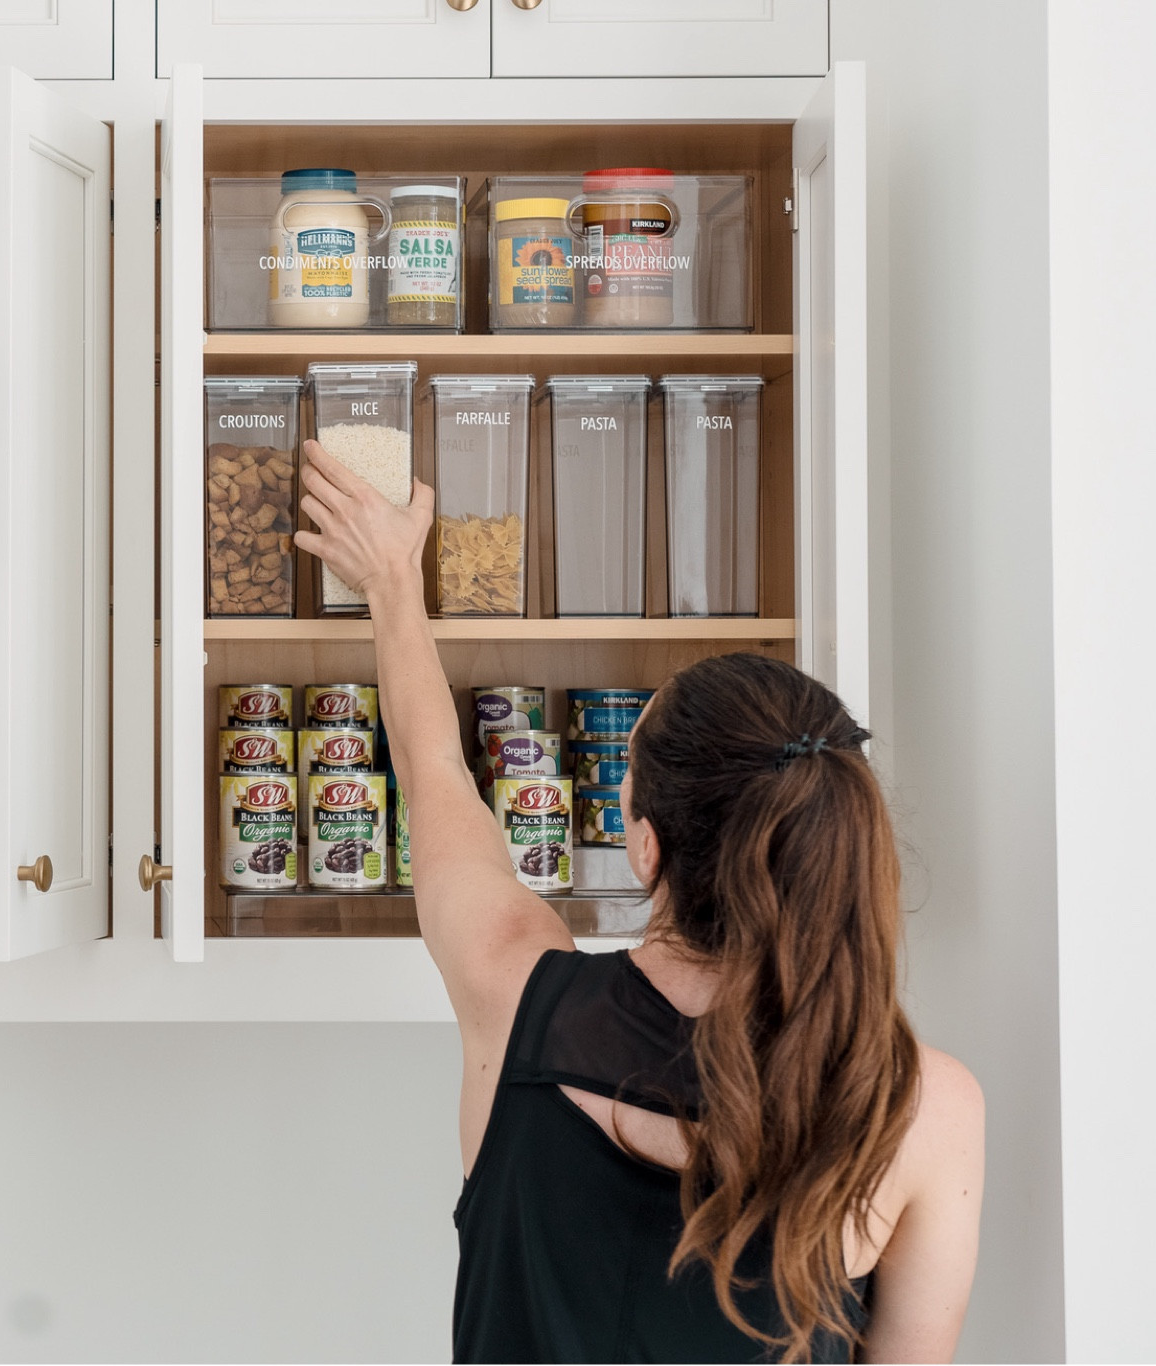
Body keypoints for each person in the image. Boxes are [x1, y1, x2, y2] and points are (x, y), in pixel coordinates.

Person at [291, 442, 984, 1364]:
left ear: (644, 846)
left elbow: (432, 773)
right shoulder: (921, 1105)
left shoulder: (516, 994)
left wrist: (389, 581)